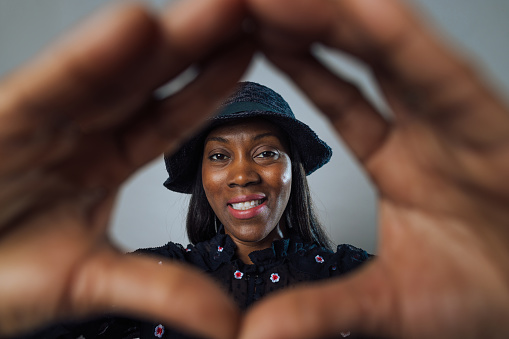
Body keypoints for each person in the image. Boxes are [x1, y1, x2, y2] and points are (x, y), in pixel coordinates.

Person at [1, 0, 509, 339]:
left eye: (266, 152)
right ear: (201, 178)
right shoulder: (135, 280)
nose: (242, 173)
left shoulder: (361, 277)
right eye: (219, 155)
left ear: (294, 171)